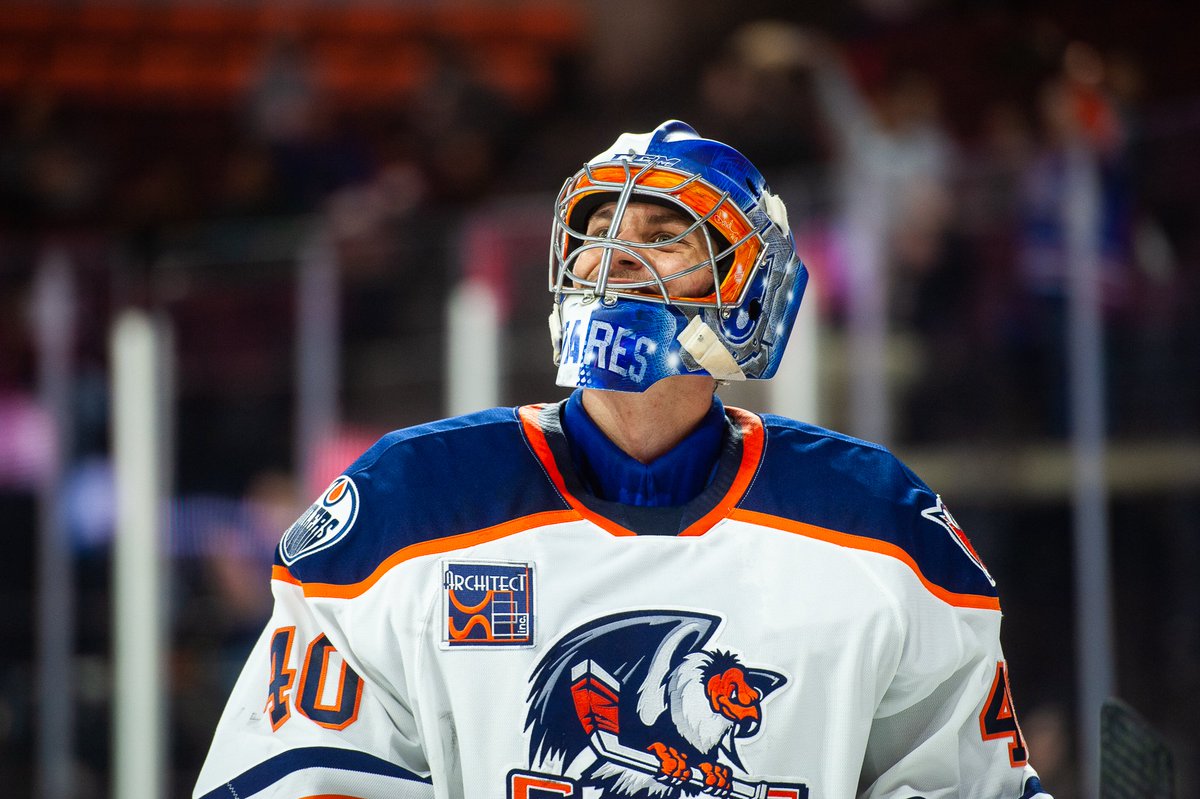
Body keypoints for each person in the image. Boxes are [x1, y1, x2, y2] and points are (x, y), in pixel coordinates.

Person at [194, 121, 1051, 799]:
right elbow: (292, 777)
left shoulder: (884, 526)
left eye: (664, 234)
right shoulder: (406, 505)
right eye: (599, 231)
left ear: (750, 289)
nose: (614, 261)